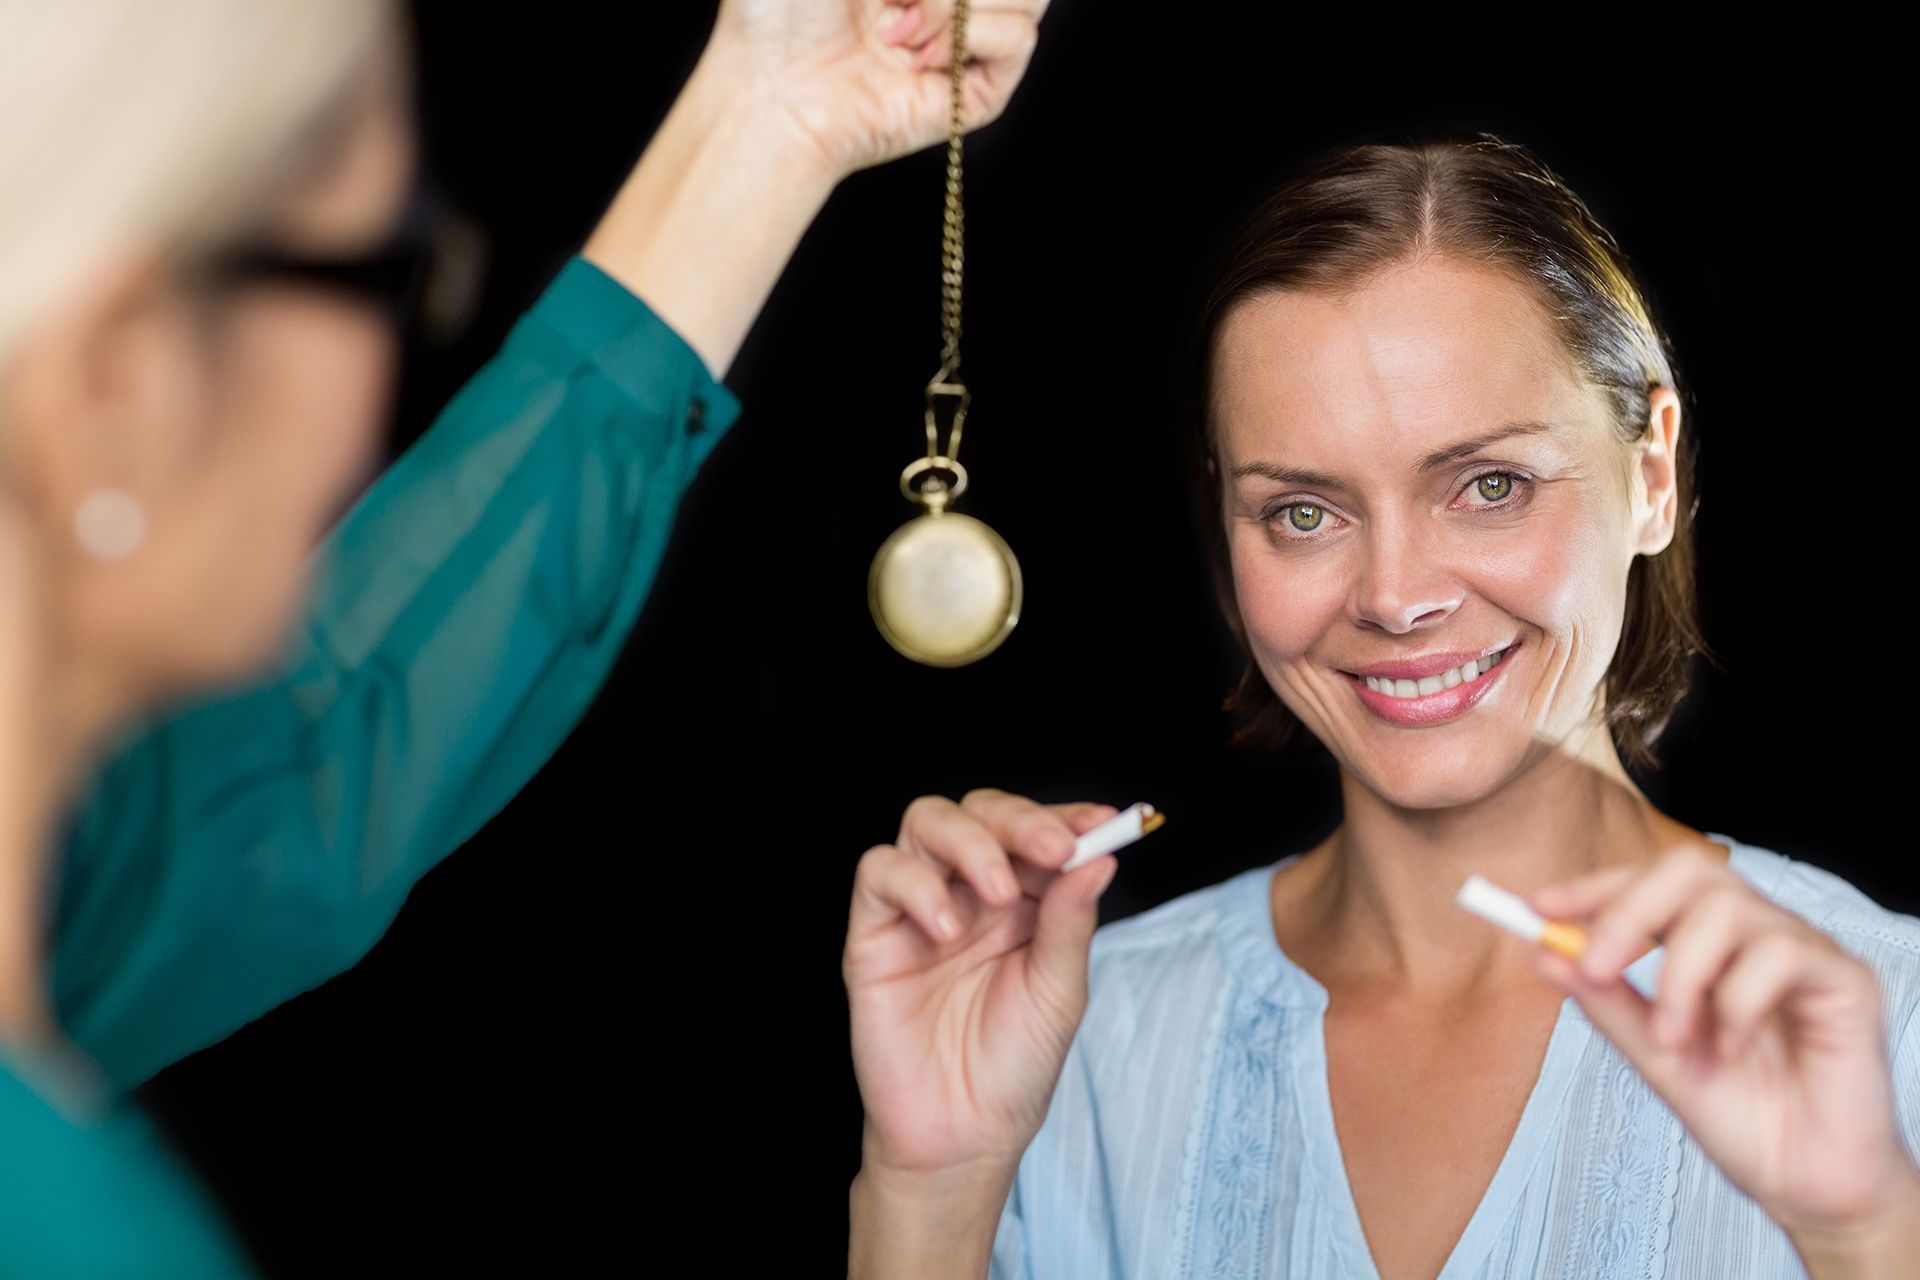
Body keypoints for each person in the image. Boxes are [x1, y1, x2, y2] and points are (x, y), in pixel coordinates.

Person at [0, 0, 1046, 1271]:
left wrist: (773, 114)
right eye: (391, 274)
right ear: (111, 385)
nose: (373, 406)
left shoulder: (94, 875)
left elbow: (336, 732)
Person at [844, 135, 1920, 1279]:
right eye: (1304, 512)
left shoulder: (1887, 1020)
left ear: (1651, 472)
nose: (1396, 597)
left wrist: (1862, 1235)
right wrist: (934, 1188)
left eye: (1490, 485)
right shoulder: (1075, 1042)